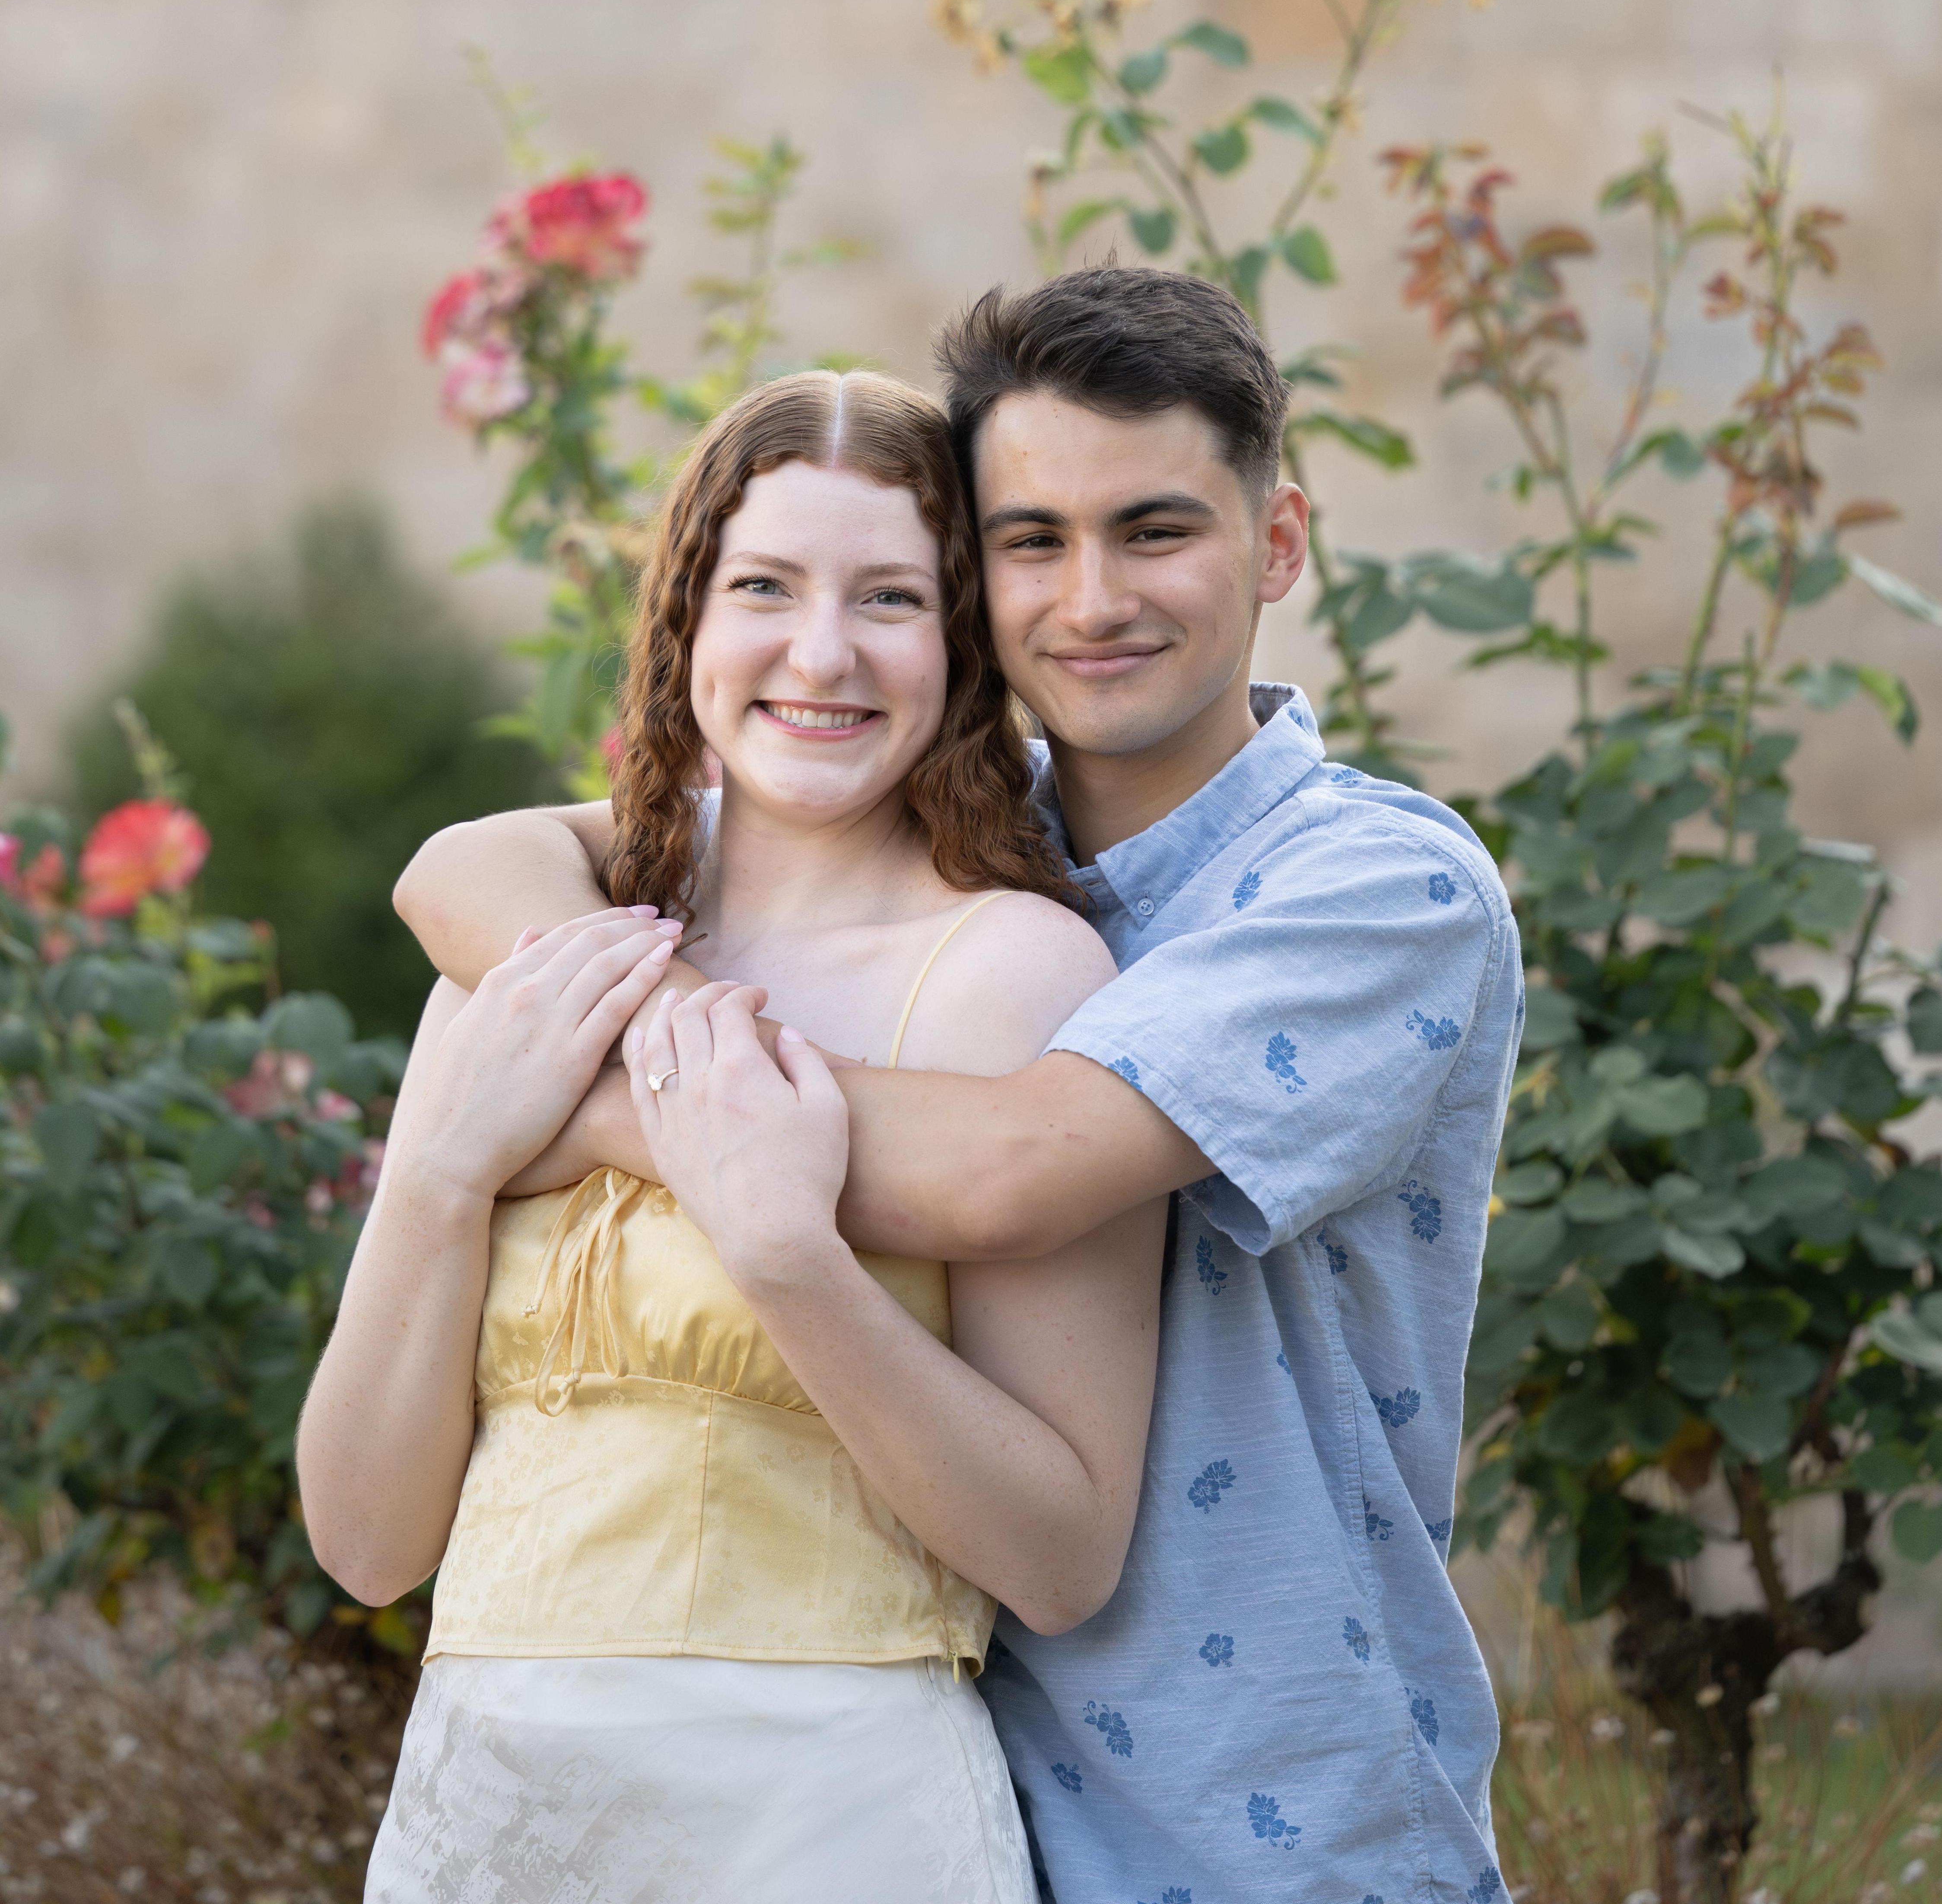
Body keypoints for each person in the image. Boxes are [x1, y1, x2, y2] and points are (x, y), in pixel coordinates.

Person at [397, 269, 1523, 1904]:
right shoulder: (942, 857)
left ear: (1278, 544)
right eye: (1029, 542)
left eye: (1156, 531)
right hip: (947, 1799)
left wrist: (555, 1101)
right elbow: (467, 868)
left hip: (1272, 1811)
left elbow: (1001, 1171)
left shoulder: (1371, 889)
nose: (1091, 600)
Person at [296, 368, 1167, 1904]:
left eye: (891, 597)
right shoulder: (544, 956)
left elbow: (1062, 1556)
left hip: (825, 1821)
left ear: (961, 646)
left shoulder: (1011, 973)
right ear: (685, 617)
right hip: (481, 1824)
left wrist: (788, 1256)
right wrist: (439, 1178)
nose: (820, 653)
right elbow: (367, 1546)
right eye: (763, 585)